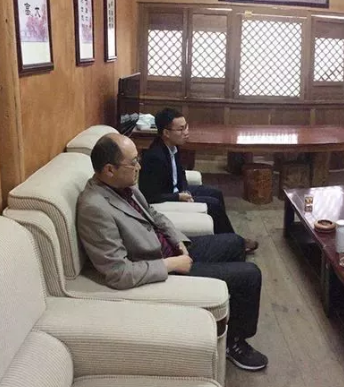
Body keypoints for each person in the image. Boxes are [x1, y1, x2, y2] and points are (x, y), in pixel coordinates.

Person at [77, 133, 268, 371]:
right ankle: (234, 342)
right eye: (133, 162)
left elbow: (154, 215)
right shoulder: (94, 208)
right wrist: (173, 264)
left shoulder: (123, 186)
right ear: (109, 169)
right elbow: (118, 273)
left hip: (171, 249)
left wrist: (178, 240)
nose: (139, 167)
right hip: (162, 266)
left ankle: (227, 315)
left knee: (235, 242)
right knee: (250, 274)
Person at [139, 108, 257, 252]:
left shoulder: (173, 147)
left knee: (216, 193)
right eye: (181, 129)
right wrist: (178, 196)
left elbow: (181, 174)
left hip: (177, 190)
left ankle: (226, 238)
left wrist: (185, 190)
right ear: (166, 133)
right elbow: (150, 196)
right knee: (213, 205)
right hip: (168, 197)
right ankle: (235, 244)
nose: (186, 132)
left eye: (186, 127)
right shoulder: (154, 157)